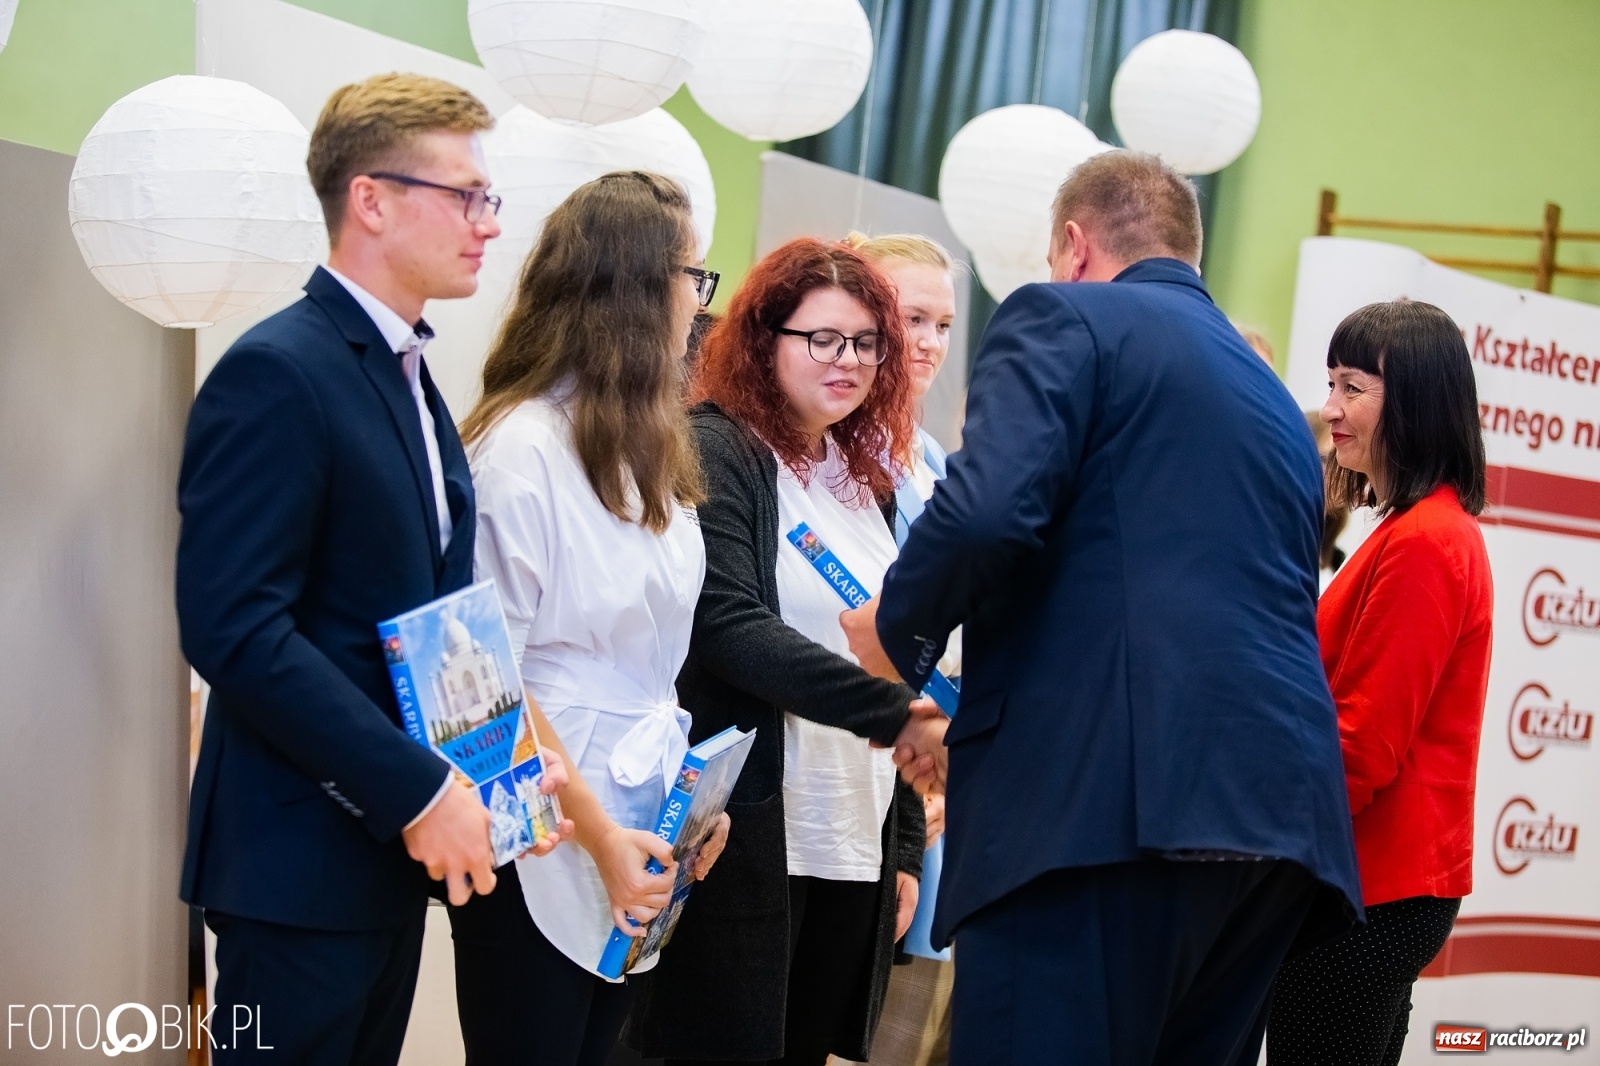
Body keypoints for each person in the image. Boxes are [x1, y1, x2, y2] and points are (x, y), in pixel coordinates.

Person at [840, 150, 1363, 1066]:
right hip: (1277, 828)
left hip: (1103, 813)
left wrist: (893, 635)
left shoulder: (1064, 315)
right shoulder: (1276, 405)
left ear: (1074, 247)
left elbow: (989, 512)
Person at [177, 73, 567, 1065]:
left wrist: (504, 774)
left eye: (490, 199)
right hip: (298, 863)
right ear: (372, 200)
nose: (487, 223)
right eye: (465, 194)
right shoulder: (282, 368)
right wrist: (416, 790)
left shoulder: (406, 374)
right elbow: (235, 626)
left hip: (384, 860)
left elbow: (426, 620)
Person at [448, 170, 730, 1066]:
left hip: (637, 821)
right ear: (638, 289)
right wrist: (599, 836)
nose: (699, 301)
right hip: (546, 831)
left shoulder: (650, 446)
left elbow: (653, 666)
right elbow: (485, 693)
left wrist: (691, 810)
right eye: (694, 275)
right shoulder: (521, 449)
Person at [628, 238, 927, 1066]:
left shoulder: (865, 477)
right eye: (822, 338)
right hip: (757, 829)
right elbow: (727, 624)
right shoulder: (716, 446)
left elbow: (887, 659)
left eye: (867, 343)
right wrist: (900, 715)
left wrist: (903, 847)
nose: (849, 360)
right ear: (766, 339)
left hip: (854, 834)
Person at [1267, 300, 1492, 1066]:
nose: (1330, 409)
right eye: (1332, 384)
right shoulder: (1414, 527)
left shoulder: (1428, 540)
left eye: (1351, 388)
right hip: (1369, 881)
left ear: (1417, 401)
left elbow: (1361, 743)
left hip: (1371, 884)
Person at [842, 231, 963, 1066]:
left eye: (944, 324)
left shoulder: (938, 463)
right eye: (910, 317)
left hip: (939, 780)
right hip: (862, 763)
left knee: (914, 1027)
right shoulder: (832, 460)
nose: (927, 343)